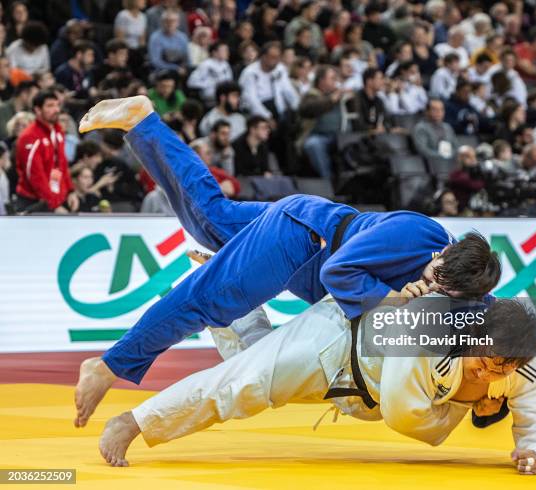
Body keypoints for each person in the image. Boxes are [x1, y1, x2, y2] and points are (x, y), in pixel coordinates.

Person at [74, 95, 501, 428]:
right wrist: (392, 298)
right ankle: (110, 365)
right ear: (440, 252)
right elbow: (338, 272)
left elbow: (507, 318)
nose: (431, 289)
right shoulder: (414, 232)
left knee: (209, 215)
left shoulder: (467, 286)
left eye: (443, 291)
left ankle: (143, 121)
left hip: (309, 229)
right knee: (206, 299)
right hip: (300, 240)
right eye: (432, 277)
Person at [97, 297, 536, 475]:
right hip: (337, 341)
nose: (490, 373)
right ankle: (133, 421)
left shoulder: (524, 364)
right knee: (244, 383)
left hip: (356, 392)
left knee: (250, 366)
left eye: (504, 369)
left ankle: (234, 309)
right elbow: (405, 415)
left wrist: (535, 451)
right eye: (485, 361)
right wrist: (472, 402)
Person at [14, 90, 77, 213]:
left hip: (54, 198)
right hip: (33, 201)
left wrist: (70, 191)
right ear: (37, 110)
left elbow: (62, 165)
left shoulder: (58, 131)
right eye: (50, 106)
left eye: (57, 105)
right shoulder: (30, 136)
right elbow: (34, 175)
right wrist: (53, 205)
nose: (56, 109)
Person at [298, 65, 345, 178]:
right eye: (332, 78)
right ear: (321, 80)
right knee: (313, 144)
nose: (335, 81)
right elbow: (307, 109)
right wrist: (331, 100)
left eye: (336, 78)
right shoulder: (312, 95)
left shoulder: (341, 95)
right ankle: (327, 180)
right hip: (319, 136)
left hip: (342, 135)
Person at [186, 41, 233, 108]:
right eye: (224, 50)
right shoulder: (206, 64)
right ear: (214, 52)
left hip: (223, 97)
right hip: (209, 98)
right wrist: (209, 84)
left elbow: (229, 81)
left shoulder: (226, 65)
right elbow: (191, 82)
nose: (227, 53)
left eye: (227, 50)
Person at [413, 99, 458, 168]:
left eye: (441, 109)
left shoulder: (447, 127)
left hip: (450, 162)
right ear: (427, 112)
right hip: (432, 164)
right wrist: (443, 156)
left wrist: (451, 154)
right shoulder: (421, 128)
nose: (439, 112)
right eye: (435, 109)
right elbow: (423, 151)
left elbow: (456, 146)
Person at [148, 9, 189, 75]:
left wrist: (185, 68)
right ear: (161, 22)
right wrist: (175, 68)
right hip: (161, 70)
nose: (170, 24)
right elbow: (155, 61)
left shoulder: (183, 37)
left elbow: (187, 58)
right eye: (167, 21)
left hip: (180, 68)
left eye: (173, 21)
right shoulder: (155, 37)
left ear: (178, 23)